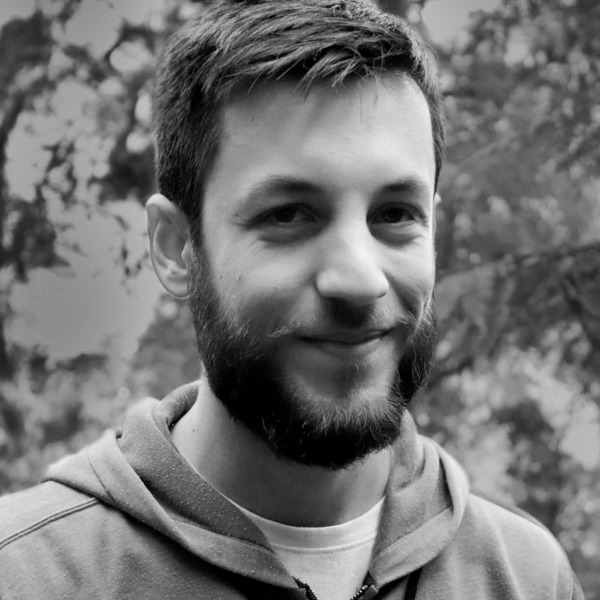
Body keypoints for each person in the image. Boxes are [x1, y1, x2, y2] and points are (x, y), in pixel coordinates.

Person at [0, 1, 584, 598]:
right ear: (176, 249)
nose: (360, 280)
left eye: (394, 215)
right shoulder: (27, 575)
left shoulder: (524, 574)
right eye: (287, 215)